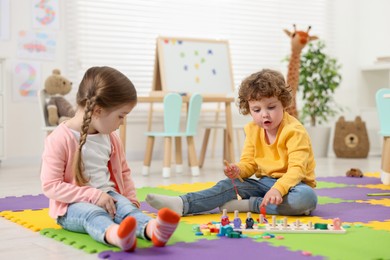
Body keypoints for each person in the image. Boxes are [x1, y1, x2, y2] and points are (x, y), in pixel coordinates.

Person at [40, 66, 180, 252]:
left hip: (108, 196)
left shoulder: (111, 137)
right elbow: (51, 186)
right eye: (120, 116)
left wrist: (130, 199)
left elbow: (123, 171)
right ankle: (116, 235)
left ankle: (153, 229)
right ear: (97, 110)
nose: (122, 122)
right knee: (93, 215)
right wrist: (94, 195)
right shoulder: (59, 139)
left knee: (128, 211)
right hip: (71, 206)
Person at [146, 69, 317, 216]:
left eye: (271, 107)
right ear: (248, 109)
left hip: (294, 185)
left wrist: (278, 190)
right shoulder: (252, 129)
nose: (264, 114)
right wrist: (238, 170)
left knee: (306, 199)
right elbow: (249, 164)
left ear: (284, 104)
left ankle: (251, 205)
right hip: (264, 183)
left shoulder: (295, 131)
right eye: (256, 110)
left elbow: (297, 170)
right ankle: (183, 204)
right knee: (227, 185)